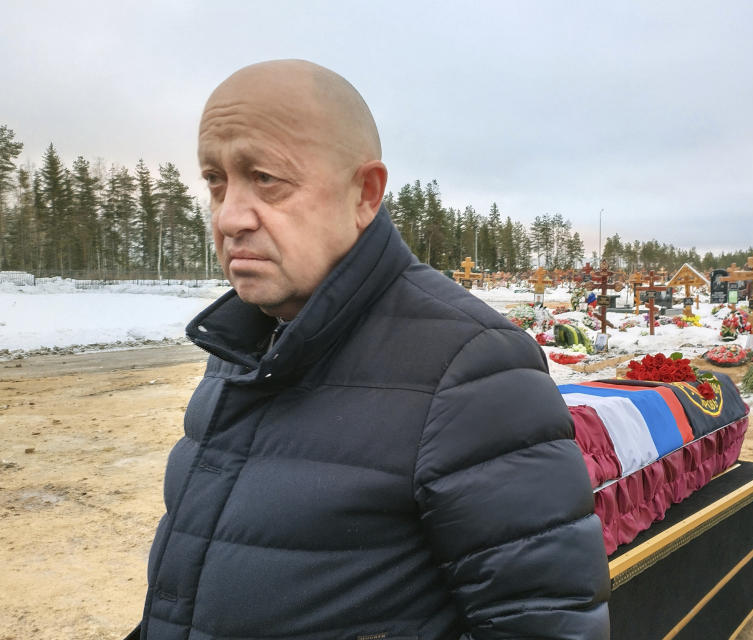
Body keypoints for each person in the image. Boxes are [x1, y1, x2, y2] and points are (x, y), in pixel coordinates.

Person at [136, 60, 610, 640]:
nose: (229, 216)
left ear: (365, 193)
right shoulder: (242, 341)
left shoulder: (473, 366)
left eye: (265, 178)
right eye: (216, 180)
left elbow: (546, 625)